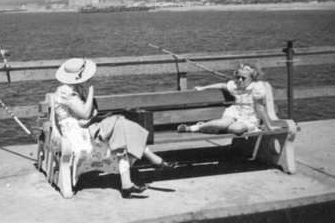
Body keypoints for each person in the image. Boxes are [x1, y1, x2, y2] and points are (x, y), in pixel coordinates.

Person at [54, 57, 173, 198]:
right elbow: (86, 113)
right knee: (120, 124)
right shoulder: (66, 91)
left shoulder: (75, 89)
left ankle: (129, 183)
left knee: (120, 126)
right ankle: (151, 159)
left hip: (86, 128)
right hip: (77, 134)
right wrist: (91, 91)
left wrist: (88, 103)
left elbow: (92, 113)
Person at [177, 63, 273, 134]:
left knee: (237, 129)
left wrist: (268, 126)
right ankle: (194, 127)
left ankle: (211, 127)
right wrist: (203, 87)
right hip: (234, 112)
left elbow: (260, 108)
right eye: (238, 77)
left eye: (243, 78)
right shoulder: (235, 85)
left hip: (249, 118)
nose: (240, 80)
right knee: (222, 123)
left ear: (252, 77)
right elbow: (222, 85)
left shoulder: (256, 87)